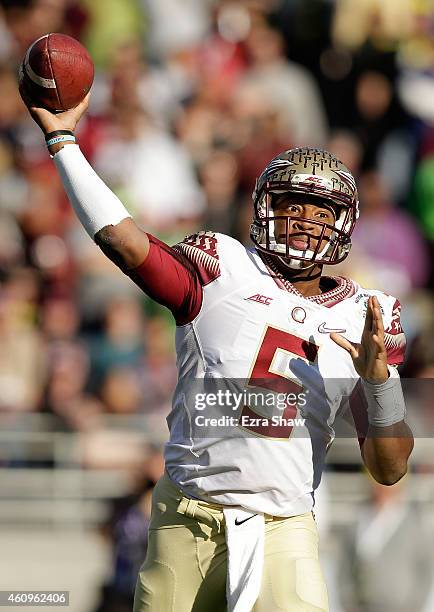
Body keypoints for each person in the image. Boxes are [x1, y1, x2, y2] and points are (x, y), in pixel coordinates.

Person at [20, 91, 413, 612]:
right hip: (188, 514)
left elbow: (388, 470)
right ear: (264, 207)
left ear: (344, 224)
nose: (304, 221)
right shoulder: (223, 265)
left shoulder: (365, 314)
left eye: (322, 210)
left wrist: (379, 382)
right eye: (291, 205)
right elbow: (126, 243)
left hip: (283, 525)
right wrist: (63, 142)